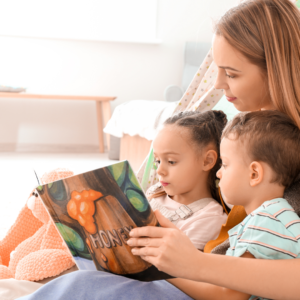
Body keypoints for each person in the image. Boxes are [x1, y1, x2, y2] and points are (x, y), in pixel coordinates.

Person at [17, 0, 300, 299]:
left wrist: (191, 263)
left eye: (231, 73)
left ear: (276, 69)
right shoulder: (249, 134)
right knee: (84, 277)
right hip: (203, 274)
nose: (217, 84)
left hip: (212, 281)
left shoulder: (276, 161)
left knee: (81, 287)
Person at [147, 110, 228, 250]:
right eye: (158, 161)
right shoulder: (155, 192)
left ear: (207, 161)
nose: (159, 170)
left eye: (171, 161)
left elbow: (183, 267)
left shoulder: (209, 219)